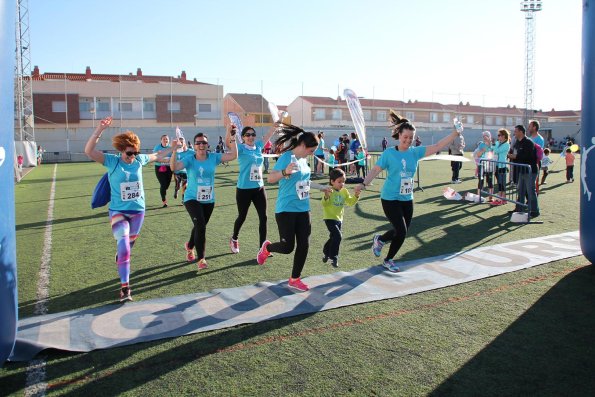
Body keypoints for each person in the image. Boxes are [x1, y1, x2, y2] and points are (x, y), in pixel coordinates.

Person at [354, 110, 462, 272]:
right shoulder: (389, 153)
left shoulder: (415, 152)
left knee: (402, 232)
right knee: (401, 229)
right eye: (405, 137)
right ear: (398, 135)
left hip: (407, 198)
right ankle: (386, 252)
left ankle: (383, 247)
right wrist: (364, 183)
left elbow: (438, 146)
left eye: (411, 138)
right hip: (390, 198)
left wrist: (455, 133)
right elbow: (375, 170)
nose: (408, 141)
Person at [84, 116, 171, 302]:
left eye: (135, 153)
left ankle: (122, 255)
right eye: (129, 153)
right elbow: (89, 151)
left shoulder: (139, 160)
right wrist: (99, 129)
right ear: (122, 150)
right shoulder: (112, 161)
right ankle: (125, 288)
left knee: (127, 249)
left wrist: (175, 147)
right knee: (124, 247)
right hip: (118, 212)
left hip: (138, 212)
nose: (132, 157)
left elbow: (157, 156)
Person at [255, 122, 331, 292]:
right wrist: (284, 172)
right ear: (303, 145)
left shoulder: (304, 161)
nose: (312, 153)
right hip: (286, 210)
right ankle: (267, 248)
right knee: (288, 247)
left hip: (304, 209)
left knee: (304, 244)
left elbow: (304, 182)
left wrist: (322, 187)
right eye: (311, 150)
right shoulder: (286, 158)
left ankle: (295, 278)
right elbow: (271, 178)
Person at [170, 128, 237, 270]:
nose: (201, 145)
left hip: (209, 200)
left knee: (199, 226)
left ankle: (189, 246)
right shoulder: (189, 159)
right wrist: (174, 150)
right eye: (198, 143)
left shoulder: (214, 157)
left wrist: (233, 139)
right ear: (194, 145)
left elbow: (233, 156)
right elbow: (174, 167)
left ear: (207, 145)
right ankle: (201, 259)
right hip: (192, 198)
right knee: (200, 225)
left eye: (204, 143)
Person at [230, 125, 275, 254]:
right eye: (247, 135)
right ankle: (234, 238)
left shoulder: (259, 145)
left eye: (252, 134)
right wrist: (231, 135)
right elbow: (231, 147)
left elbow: (269, 133)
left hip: (259, 188)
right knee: (242, 217)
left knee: (264, 217)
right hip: (244, 189)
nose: (250, 137)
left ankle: (263, 248)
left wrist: (278, 122)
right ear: (243, 137)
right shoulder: (241, 148)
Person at [321, 168, 360, 268]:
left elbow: (350, 202)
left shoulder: (344, 191)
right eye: (339, 182)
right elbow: (324, 204)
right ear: (332, 182)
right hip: (329, 218)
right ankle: (334, 257)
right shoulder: (329, 191)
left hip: (339, 219)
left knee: (333, 237)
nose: (342, 184)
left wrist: (356, 195)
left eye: (343, 181)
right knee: (338, 236)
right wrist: (326, 196)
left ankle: (326, 252)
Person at [507, 125, 539, 217]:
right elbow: (515, 153)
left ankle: (534, 211)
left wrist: (515, 156)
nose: (514, 133)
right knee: (520, 190)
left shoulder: (528, 142)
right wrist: (511, 155)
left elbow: (527, 156)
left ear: (521, 132)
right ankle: (519, 209)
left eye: (516, 131)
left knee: (530, 191)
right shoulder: (517, 142)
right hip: (522, 170)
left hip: (530, 171)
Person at [491, 128, 511, 205]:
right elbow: (492, 148)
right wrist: (494, 144)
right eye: (498, 135)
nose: (498, 137)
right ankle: (501, 199)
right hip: (497, 165)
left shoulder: (506, 144)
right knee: (500, 183)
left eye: (499, 135)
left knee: (502, 183)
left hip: (502, 166)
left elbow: (496, 150)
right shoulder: (498, 143)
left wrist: (494, 144)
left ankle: (501, 199)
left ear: (504, 136)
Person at [475, 131, 495, 202]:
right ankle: (478, 196)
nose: (484, 137)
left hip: (489, 165)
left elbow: (493, 153)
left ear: (489, 137)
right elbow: (478, 155)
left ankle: (491, 197)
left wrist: (489, 145)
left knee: (490, 180)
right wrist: (482, 150)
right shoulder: (481, 145)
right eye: (483, 136)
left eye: (486, 136)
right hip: (482, 164)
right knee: (481, 180)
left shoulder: (492, 145)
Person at [153, 135, 172, 208]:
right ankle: (164, 201)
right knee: (163, 184)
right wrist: (164, 160)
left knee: (167, 185)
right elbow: (155, 158)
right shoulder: (157, 147)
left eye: (166, 139)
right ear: (161, 140)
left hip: (169, 168)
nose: (165, 140)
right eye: (164, 139)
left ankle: (163, 191)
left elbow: (174, 157)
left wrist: (170, 159)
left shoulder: (170, 148)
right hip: (159, 168)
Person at [173, 137, 193, 202]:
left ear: (185, 143)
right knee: (178, 185)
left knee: (185, 186)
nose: (181, 144)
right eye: (179, 142)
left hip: (186, 172)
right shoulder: (176, 152)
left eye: (182, 142)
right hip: (177, 172)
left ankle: (183, 199)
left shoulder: (190, 151)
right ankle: (176, 190)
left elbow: (197, 155)